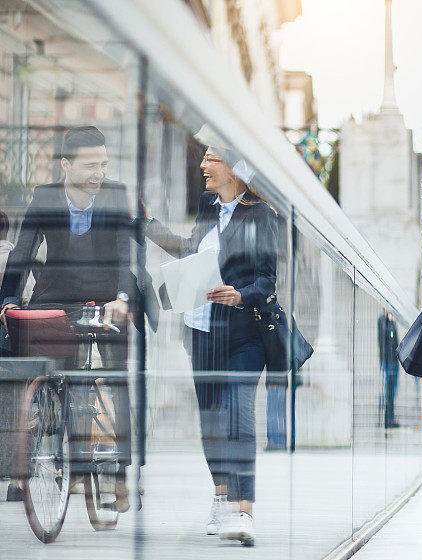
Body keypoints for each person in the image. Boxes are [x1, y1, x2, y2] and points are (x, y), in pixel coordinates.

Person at [144, 142, 277, 545]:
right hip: (201, 330)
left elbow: (267, 281)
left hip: (243, 334)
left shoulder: (261, 216)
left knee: (239, 413)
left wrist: (241, 294)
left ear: (235, 168)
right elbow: (191, 252)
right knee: (212, 419)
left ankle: (243, 510)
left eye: (210, 157)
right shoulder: (208, 205)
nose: (202, 164)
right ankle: (220, 496)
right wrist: (147, 223)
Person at [0, 126, 133, 511]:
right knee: (64, 380)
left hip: (107, 298)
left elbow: (126, 254)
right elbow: (23, 251)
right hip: (56, 295)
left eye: (104, 165)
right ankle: (70, 468)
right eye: (91, 165)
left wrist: (122, 298)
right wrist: (8, 299)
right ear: (65, 165)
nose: (99, 173)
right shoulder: (44, 196)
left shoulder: (114, 194)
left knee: (118, 378)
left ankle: (121, 474)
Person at [378, 310, 399, 428]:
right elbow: (386, 337)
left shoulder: (392, 322)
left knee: (393, 391)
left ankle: (391, 417)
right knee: (388, 391)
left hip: (393, 361)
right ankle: (386, 418)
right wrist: (390, 323)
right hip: (387, 360)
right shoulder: (383, 321)